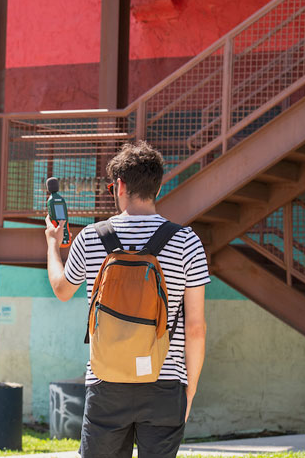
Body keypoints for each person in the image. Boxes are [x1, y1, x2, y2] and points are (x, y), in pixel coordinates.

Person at [45, 141, 209, 458]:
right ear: (157, 187)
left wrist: (53, 244)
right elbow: (196, 327)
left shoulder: (91, 237)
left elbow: (62, 290)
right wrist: (189, 389)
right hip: (165, 381)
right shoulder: (187, 241)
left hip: (106, 381)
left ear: (119, 185)